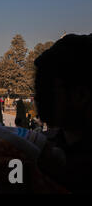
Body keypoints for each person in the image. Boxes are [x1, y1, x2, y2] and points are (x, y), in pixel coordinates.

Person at [33, 34, 92, 193]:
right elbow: (14, 181)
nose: (37, 97)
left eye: (47, 88)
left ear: (80, 95)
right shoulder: (47, 145)